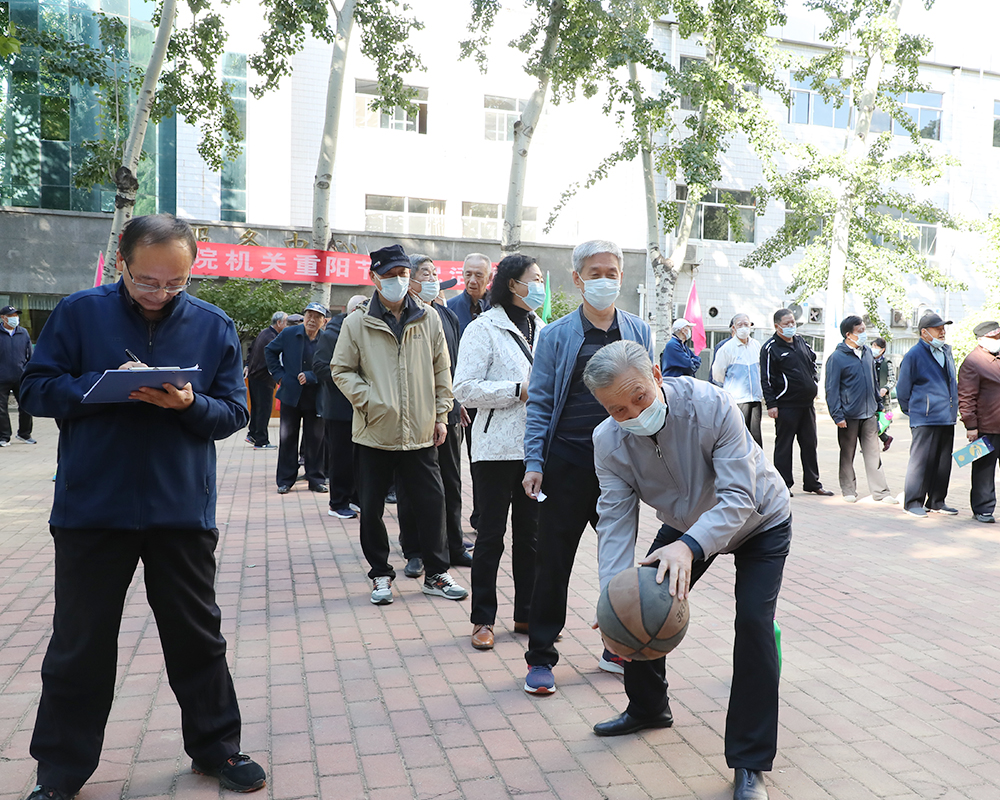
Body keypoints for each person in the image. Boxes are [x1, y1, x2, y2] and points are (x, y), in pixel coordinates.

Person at [18, 214, 265, 799]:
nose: (160, 293)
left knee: (197, 636)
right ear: (122, 264)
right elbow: (34, 389)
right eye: (147, 281)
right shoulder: (79, 313)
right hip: (92, 509)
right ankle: (60, 772)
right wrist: (101, 386)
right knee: (80, 643)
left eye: (175, 282)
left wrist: (188, 405)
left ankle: (217, 748)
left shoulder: (213, 325)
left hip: (180, 510)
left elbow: (234, 412)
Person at [586, 341, 790, 800]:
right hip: (684, 526)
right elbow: (615, 519)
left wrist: (689, 547)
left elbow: (739, 497)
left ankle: (750, 761)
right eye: (617, 410)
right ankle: (648, 708)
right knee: (639, 604)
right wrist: (611, 596)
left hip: (760, 518)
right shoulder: (608, 442)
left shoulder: (711, 405)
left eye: (639, 397)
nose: (633, 414)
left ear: (657, 374)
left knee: (753, 623)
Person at [521, 239, 653, 695]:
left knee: (618, 563)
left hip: (619, 465)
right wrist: (534, 461)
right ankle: (541, 657)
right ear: (577, 279)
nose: (604, 281)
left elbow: (650, 394)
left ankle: (616, 646)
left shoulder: (638, 331)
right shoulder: (556, 335)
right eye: (595, 273)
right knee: (552, 562)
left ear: (622, 276)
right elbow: (540, 402)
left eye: (611, 273)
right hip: (568, 462)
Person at [332, 244, 468, 605]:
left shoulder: (428, 317)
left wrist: (441, 414)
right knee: (372, 508)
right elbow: (341, 370)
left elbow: (442, 370)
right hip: (374, 432)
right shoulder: (357, 322)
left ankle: (436, 572)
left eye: (403, 274)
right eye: (390, 275)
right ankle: (380, 573)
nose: (398, 281)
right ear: (374, 278)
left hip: (421, 431)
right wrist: (371, 401)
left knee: (432, 503)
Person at [454, 254, 543, 651]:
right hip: (492, 451)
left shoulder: (543, 329)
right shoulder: (483, 328)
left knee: (531, 538)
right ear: (512, 284)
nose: (539, 286)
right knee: (491, 537)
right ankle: (482, 620)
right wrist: (516, 391)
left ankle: (526, 613)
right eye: (533, 279)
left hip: (534, 450)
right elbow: (464, 388)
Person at [397, 255, 473, 572]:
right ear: (410, 281)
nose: (432, 279)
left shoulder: (446, 315)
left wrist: (457, 402)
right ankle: (415, 551)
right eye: (425, 273)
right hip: (414, 416)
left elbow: (452, 366)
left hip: (448, 413)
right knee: (412, 487)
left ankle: (454, 545)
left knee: (451, 483)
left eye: (434, 273)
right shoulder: (400, 316)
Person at [824, 315, 896, 505]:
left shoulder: (867, 353)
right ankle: (848, 490)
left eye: (864, 329)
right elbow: (831, 389)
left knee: (873, 453)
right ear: (849, 334)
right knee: (847, 454)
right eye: (860, 331)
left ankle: (881, 492)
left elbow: (873, 381)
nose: (865, 334)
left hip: (869, 412)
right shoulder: (837, 358)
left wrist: (878, 405)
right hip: (848, 415)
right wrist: (837, 415)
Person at [760, 309, 832, 497]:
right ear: (777, 326)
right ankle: (783, 484)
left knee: (810, 443)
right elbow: (766, 378)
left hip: (806, 404)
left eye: (793, 322)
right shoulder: (770, 348)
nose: (791, 326)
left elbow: (812, 361)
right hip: (786, 405)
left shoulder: (801, 341)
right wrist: (771, 404)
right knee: (784, 446)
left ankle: (813, 483)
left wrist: (813, 380)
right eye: (787, 323)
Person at [896, 312, 959, 517]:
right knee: (921, 462)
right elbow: (903, 389)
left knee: (942, 462)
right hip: (924, 417)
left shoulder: (946, 352)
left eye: (943, 328)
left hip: (946, 416)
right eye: (938, 329)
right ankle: (913, 502)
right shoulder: (914, 355)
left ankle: (937, 501)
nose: (942, 332)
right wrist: (914, 411)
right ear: (924, 332)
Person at [265, 302, 329, 494]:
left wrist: (312, 376)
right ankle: (285, 480)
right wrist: (279, 375)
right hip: (291, 395)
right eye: (309, 315)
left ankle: (316, 479)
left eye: (317, 317)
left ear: (324, 321)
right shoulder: (289, 334)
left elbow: (333, 365)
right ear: (304, 317)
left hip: (316, 397)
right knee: (288, 438)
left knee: (316, 440)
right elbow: (270, 351)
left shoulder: (327, 340)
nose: (312, 320)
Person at [313, 296, 367, 519]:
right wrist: (347, 377)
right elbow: (319, 367)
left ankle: (355, 498)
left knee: (359, 458)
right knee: (341, 458)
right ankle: (338, 502)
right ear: (353, 312)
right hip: (339, 408)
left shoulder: (365, 333)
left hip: (361, 407)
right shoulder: (332, 334)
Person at [958, 321, 1000, 524]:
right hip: (986, 427)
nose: (998, 340)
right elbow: (966, 397)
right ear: (982, 339)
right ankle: (983, 508)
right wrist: (971, 426)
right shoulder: (973, 362)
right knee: (984, 470)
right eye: (995, 338)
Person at [712, 313, 764, 445]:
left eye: (746, 324)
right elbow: (717, 374)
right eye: (740, 325)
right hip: (737, 400)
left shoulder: (756, 345)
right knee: (739, 435)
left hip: (755, 398)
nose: (743, 327)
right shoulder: (726, 348)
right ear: (733, 328)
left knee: (755, 436)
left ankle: (756, 458)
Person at [244, 311, 287, 449]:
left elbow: (250, 349)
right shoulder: (272, 338)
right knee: (264, 409)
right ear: (279, 323)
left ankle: (252, 434)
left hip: (254, 375)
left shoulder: (264, 333)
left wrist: (247, 365)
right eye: (286, 322)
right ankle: (261, 441)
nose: (288, 325)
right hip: (263, 377)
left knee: (257, 408)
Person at [0, 304, 34, 446]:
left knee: (26, 405)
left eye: (15, 315)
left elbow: (29, 354)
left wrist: (29, 371)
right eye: (11, 316)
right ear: (3, 318)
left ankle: (24, 434)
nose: (14, 318)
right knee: (1, 409)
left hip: (21, 376)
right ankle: (4, 436)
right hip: (2, 378)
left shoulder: (23, 333)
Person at [447, 253, 492, 335]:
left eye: (478, 275)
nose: (472, 281)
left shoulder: (499, 307)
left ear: (489, 277)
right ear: (463, 275)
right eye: (468, 275)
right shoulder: (449, 308)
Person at [872, 336, 895, 451]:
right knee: (870, 422)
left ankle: (879, 442)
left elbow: (892, 380)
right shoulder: (868, 362)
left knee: (880, 422)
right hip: (870, 397)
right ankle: (884, 440)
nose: (873, 349)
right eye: (872, 346)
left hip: (882, 399)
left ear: (882, 349)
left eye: (876, 347)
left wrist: (885, 388)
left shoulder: (887, 363)